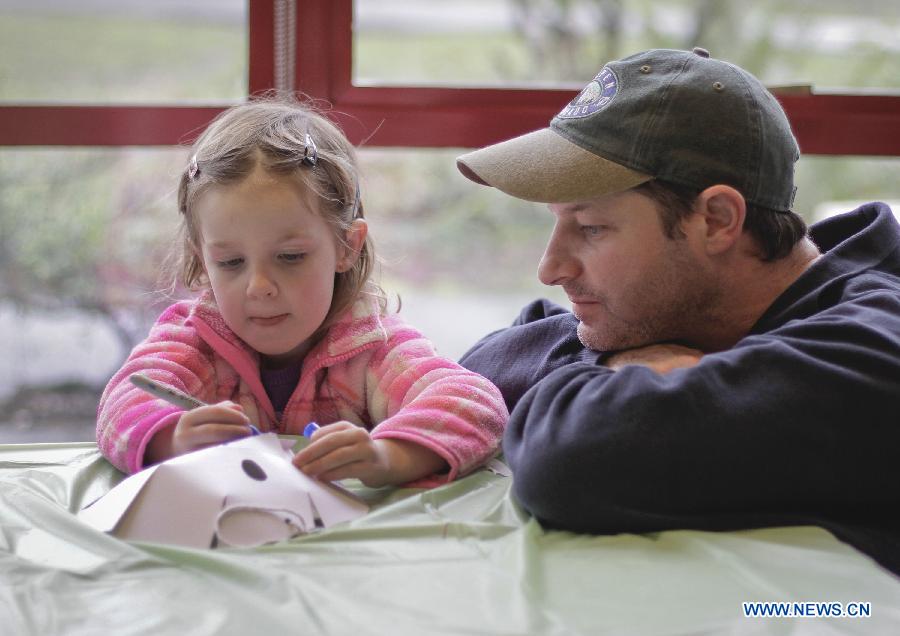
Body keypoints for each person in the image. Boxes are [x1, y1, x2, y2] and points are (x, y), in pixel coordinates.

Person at [455, 48, 900, 573]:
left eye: (592, 227)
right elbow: (478, 370)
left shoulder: (870, 353)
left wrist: (596, 374)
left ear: (716, 219)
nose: (550, 269)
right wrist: (612, 365)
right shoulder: (708, 307)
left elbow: (571, 461)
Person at [97, 96, 507, 488]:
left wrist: (388, 457)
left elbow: (475, 405)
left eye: (290, 257)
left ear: (347, 246)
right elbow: (121, 405)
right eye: (231, 263)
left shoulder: (373, 347)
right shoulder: (194, 342)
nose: (259, 287)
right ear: (202, 259)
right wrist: (172, 439)